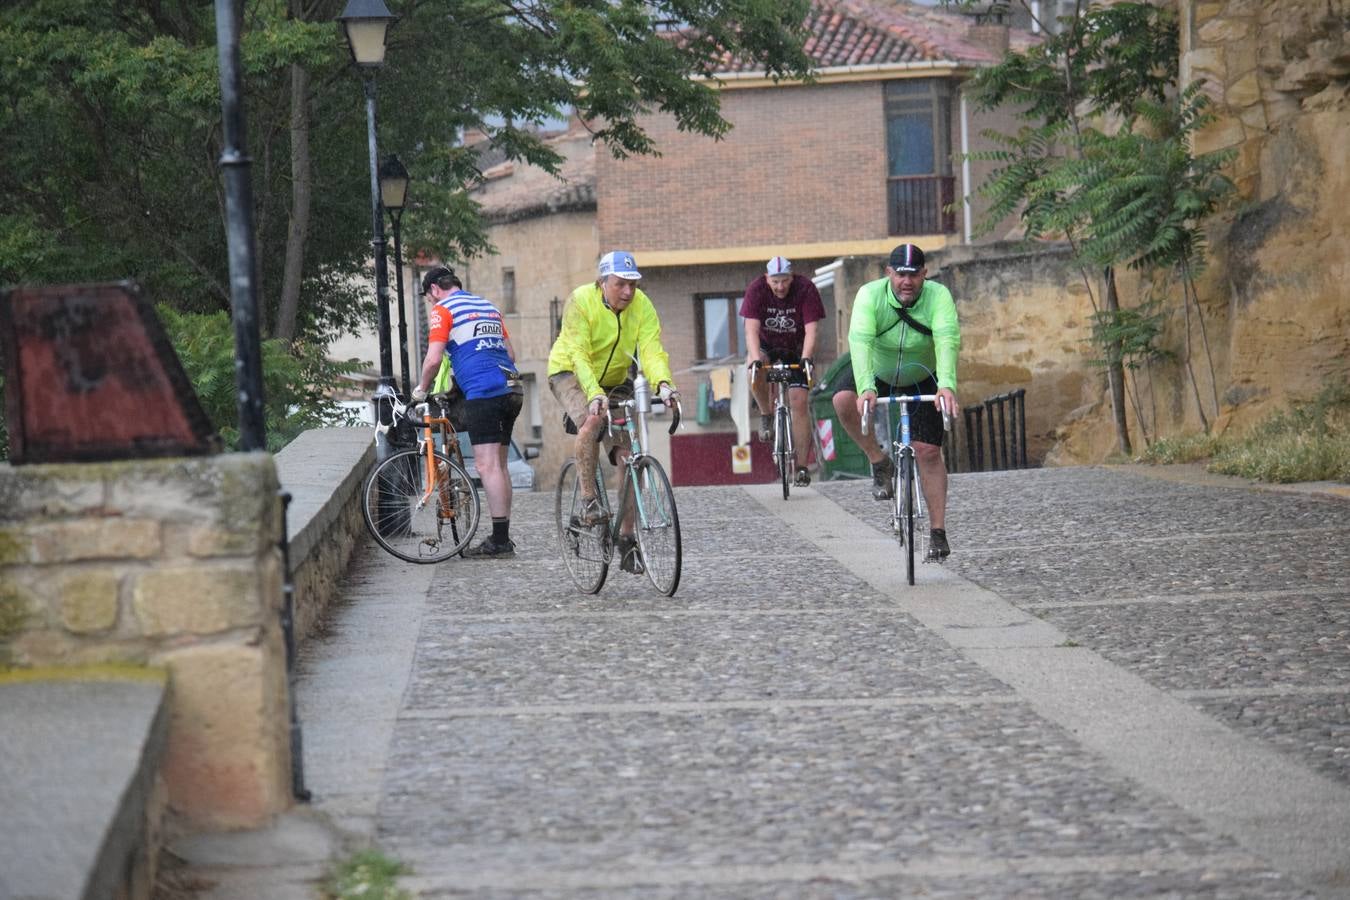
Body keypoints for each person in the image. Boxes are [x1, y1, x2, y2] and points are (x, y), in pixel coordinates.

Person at [547, 250, 679, 574]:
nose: (628, 292)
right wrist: (593, 394)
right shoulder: (580, 302)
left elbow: (651, 348)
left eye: (633, 285)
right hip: (570, 374)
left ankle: (627, 538)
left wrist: (664, 383)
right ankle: (589, 500)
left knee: (628, 457)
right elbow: (578, 353)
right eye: (621, 284)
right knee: (593, 422)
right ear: (602, 282)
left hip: (616, 379)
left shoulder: (642, 305)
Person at [831, 243, 961, 558]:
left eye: (914, 274)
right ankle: (879, 461)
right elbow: (859, 341)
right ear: (889, 273)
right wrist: (865, 387)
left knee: (928, 451)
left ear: (924, 274)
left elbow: (947, 338)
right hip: (879, 371)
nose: (907, 281)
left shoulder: (938, 296)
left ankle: (938, 533)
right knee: (842, 399)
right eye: (900, 274)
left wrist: (946, 385)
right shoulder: (870, 295)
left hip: (922, 372)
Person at [410, 265, 522, 559]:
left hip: (484, 390)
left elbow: (433, 358)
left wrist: (421, 389)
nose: (431, 303)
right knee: (500, 465)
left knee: (486, 466)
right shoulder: (488, 306)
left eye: (429, 297)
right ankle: (503, 536)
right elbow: (511, 354)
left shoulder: (443, 309)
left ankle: (499, 542)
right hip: (511, 388)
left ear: (434, 289)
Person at [740, 255, 826, 486]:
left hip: (797, 347)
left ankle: (801, 466)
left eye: (785, 281)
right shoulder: (756, 289)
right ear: (767, 279)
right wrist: (756, 359)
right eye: (775, 282)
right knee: (754, 368)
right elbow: (750, 331)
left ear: (792, 277)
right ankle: (766, 414)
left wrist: (807, 358)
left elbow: (812, 331)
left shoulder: (805, 288)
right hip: (767, 344)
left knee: (799, 401)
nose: (780, 287)